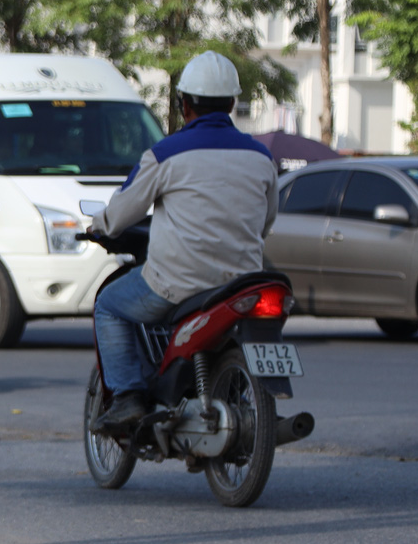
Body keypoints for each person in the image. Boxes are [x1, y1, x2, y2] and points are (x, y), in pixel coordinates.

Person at [90, 51, 279, 432]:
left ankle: (128, 398)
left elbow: (123, 211)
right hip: (242, 281)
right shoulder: (261, 157)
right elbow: (265, 221)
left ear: (184, 104)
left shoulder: (165, 154)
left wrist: (101, 226)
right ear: (231, 103)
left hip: (176, 284)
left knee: (108, 305)